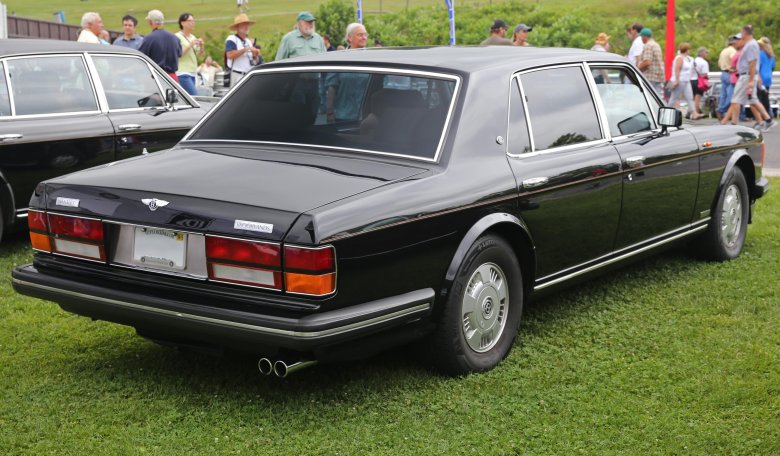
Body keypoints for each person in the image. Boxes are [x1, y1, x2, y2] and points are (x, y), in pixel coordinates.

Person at [732, 25, 776, 130]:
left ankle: (734, 125)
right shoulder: (771, 55)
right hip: (765, 77)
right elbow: (772, 67)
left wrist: (752, 79)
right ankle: (767, 119)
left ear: (744, 32)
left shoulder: (752, 46)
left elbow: (753, 63)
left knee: (736, 100)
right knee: (754, 100)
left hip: (749, 75)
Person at [325, 23, 370, 124]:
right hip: (343, 116)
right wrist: (330, 114)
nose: (364, 37)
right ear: (350, 38)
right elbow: (331, 88)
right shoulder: (340, 59)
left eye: (365, 34)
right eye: (360, 35)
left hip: (367, 117)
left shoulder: (372, 58)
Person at [138, 10, 182, 81]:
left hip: (154, 78)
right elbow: (179, 54)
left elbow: (140, 57)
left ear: (150, 22)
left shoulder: (149, 38)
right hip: (172, 79)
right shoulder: (175, 38)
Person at [225, 14, 261, 88]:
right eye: (244, 24)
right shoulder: (232, 39)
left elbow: (255, 61)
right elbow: (230, 55)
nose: (246, 27)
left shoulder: (248, 41)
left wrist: (256, 55)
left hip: (248, 74)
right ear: (237, 27)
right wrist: (245, 50)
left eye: (247, 24)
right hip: (237, 74)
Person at [669, 43, 702, 119]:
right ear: (686, 50)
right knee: (674, 97)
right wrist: (677, 80)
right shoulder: (679, 58)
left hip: (686, 80)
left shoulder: (687, 58)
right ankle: (667, 111)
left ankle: (694, 113)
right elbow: (677, 69)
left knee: (689, 97)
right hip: (680, 80)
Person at [175, 13, 204, 96]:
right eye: (190, 21)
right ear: (182, 23)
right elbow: (178, 53)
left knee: (189, 98)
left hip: (193, 72)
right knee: (195, 96)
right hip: (182, 72)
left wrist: (202, 46)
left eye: (194, 21)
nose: (193, 23)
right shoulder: (177, 37)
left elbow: (201, 56)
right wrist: (191, 44)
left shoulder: (193, 37)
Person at [637, 28, 664, 98]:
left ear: (644, 37)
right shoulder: (656, 45)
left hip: (650, 77)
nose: (641, 39)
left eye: (641, 37)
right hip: (658, 76)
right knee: (657, 98)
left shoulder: (648, 45)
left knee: (649, 98)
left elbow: (647, 62)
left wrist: (636, 69)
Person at [716, 36, 739, 119]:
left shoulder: (723, 51)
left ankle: (721, 111)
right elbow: (734, 61)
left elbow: (719, 63)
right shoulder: (732, 51)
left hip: (723, 73)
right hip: (730, 73)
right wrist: (735, 69)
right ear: (734, 43)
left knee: (723, 94)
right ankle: (722, 110)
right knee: (731, 94)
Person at [758, 37, 776, 119]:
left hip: (761, 77)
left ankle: (766, 116)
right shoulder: (772, 56)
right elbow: (772, 67)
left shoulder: (760, 54)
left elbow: (757, 67)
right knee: (765, 97)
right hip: (768, 78)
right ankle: (768, 114)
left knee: (760, 99)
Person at [690, 47, 710, 118]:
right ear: (702, 53)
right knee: (697, 98)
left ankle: (691, 112)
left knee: (692, 98)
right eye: (706, 52)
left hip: (691, 81)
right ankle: (695, 114)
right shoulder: (704, 62)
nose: (707, 54)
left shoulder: (693, 61)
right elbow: (705, 74)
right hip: (699, 82)